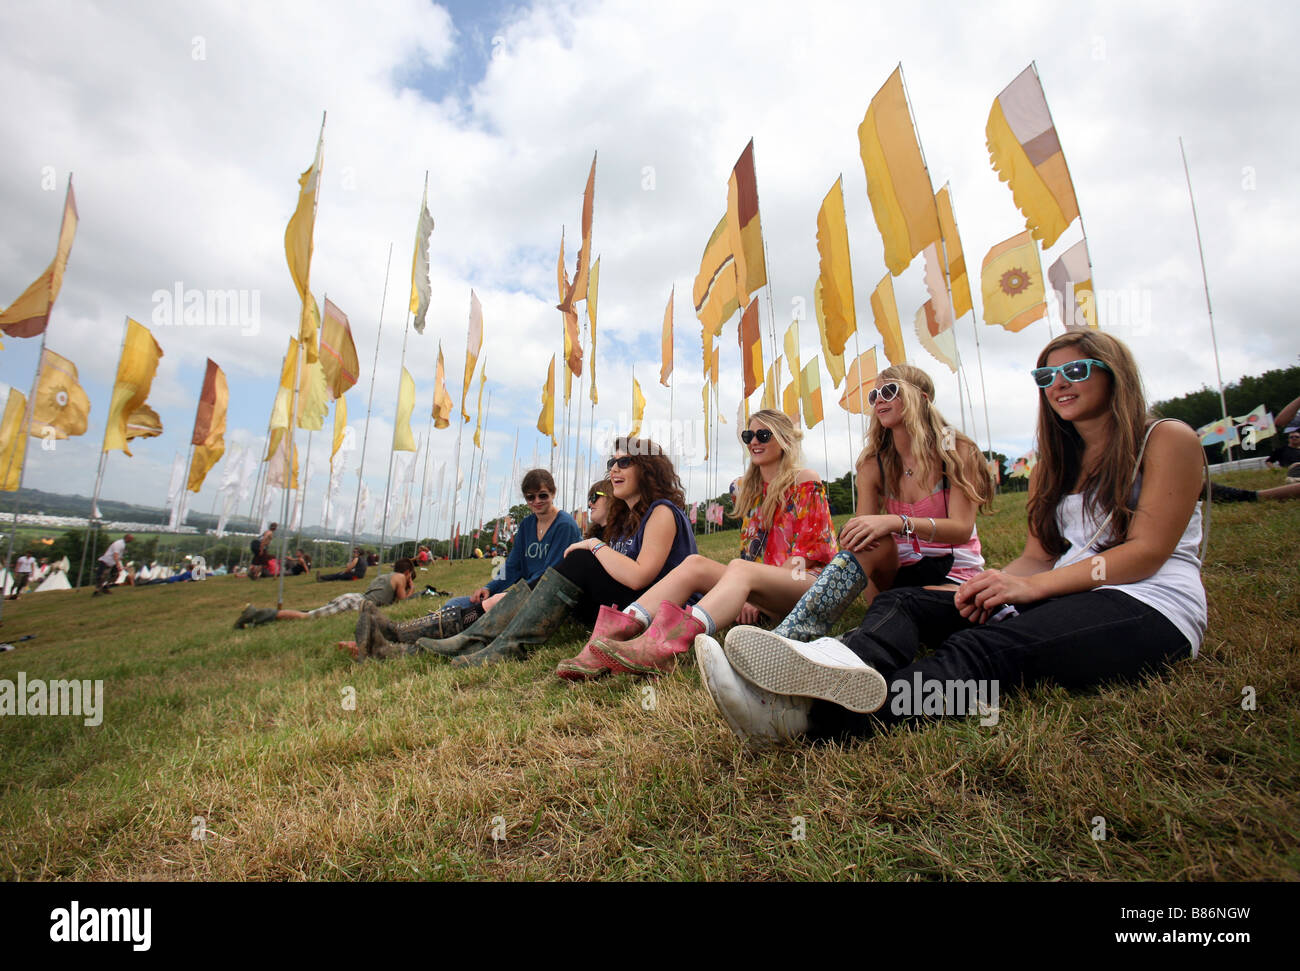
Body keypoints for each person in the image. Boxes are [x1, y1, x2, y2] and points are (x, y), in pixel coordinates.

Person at [700, 331, 1209, 746]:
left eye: (1076, 370)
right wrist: (995, 583)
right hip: (1059, 590)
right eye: (1046, 375)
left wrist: (1027, 589)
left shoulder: (1165, 438)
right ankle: (825, 664)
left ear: (1114, 375)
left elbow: (1146, 554)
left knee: (985, 652)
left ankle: (811, 722)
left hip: (1149, 602)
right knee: (907, 604)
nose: (1058, 384)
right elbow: (1037, 557)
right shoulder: (1053, 463)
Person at [555, 410, 838, 680]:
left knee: (740, 569)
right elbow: (752, 554)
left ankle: (662, 647)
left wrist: (757, 589)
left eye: (763, 435)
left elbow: (810, 554)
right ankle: (608, 637)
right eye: (748, 435)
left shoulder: (805, 480)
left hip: (805, 585)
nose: (753, 441)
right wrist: (753, 588)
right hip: (764, 588)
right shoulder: (747, 490)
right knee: (694, 564)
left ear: (785, 440)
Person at [369, 438, 697, 667]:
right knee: (496, 596)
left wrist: (592, 545)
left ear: (648, 468)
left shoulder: (661, 512)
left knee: (578, 560)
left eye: (624, 462)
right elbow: (513, 570)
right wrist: (496, 586)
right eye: (612, 462)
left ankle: (497, 646)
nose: (613, 470)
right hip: (607, 602)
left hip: (655, 612)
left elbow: (641, 574)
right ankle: (463, 642)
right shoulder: (618, 523)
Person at [357, 470, 582, 652]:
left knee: (477, 620)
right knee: (454, 605)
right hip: (524, 592)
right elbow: (513, 567)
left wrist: (512, 595)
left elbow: (550, 576)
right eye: (530, 497)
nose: (537, 501)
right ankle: (400, 638)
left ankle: (397, 635)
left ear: (553, 493)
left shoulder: (565, 526)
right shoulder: (526, 525)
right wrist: (489, 587)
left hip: (542, 599)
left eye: (543, 495)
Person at [235, 558, 416, 628]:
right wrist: (411, 589)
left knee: (308, 613)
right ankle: (255, 614)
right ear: (407, 572)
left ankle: (255, 623)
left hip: (353, 597)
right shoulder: (401, 578)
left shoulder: (385, 576)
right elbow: (402, 601)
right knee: (307, 617)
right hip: (355, 604)